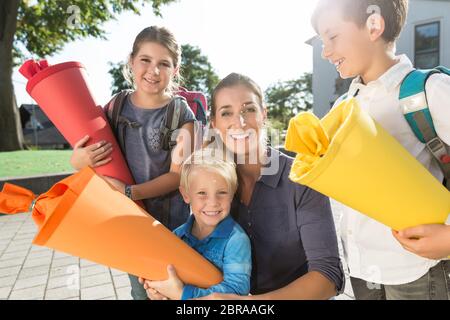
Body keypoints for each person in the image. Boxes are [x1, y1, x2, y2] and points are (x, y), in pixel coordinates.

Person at [312, 0, 450, 299]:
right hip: (360, 273)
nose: (325, 51)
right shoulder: (342, 108)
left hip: (419, 270)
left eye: (332, 37)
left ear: (374, 25)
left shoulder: (430, 91)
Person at [176, 73, 344, 300]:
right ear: (214, 124)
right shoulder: (212, 183)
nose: (240, 122)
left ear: (263, 114)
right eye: (227, 113)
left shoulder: (301, 179)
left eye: (249, 109)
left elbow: (328, 276)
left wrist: (250, 305)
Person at [69, 26, 195, 300]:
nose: (153, 71)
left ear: (175, 70)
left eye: (164, 63)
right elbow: (91, 153)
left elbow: (178, 176)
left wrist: (129, 192)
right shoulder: (116, 106)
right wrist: (78, 161)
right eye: (145, 60)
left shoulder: (180, 112)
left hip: (172, 228)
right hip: (130, 226)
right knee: (141, 291)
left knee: (175, 291)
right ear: (131, 61)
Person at [141, 150, 251, 300]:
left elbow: (237, 290)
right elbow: (167, 275)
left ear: (232, 193)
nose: (213, 202)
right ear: (186, 195)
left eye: (222, 192)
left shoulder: (236, 240)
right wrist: (157, 290)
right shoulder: (176, 237)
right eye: (202, 193)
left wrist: (183, 294)